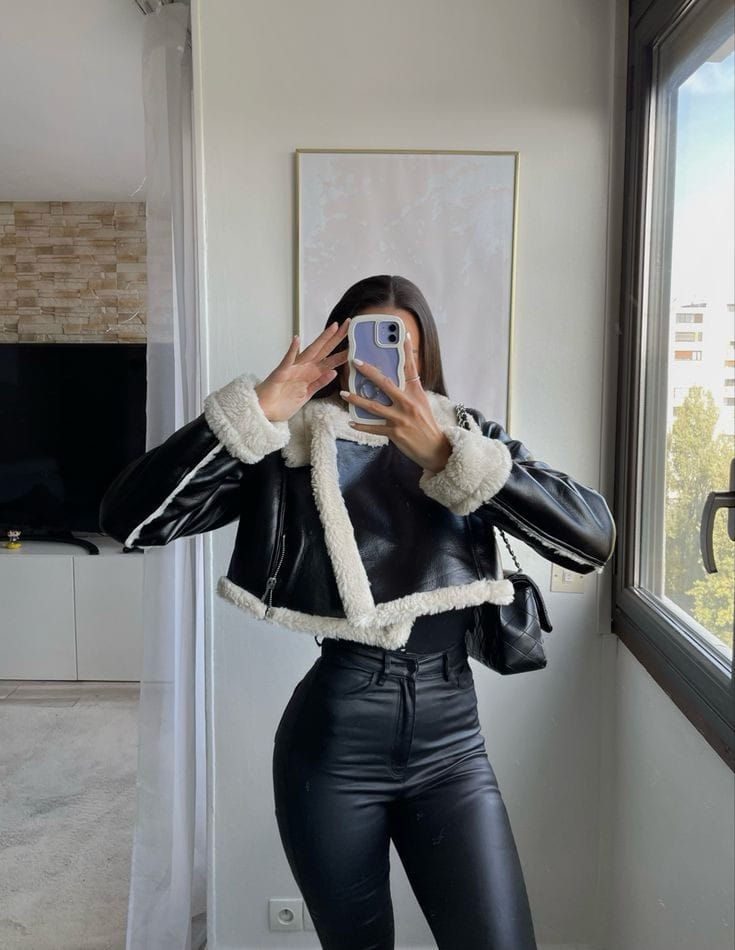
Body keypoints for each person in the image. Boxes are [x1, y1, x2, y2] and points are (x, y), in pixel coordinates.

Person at [99, 274, 616, 949]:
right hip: (334, 745)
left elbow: (591, 538)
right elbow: (130, 521)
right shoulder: (290, 446)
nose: (385, 366)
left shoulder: (465, 438)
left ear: (425, 359)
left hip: (454, 745)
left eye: (403, 349)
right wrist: (255, 410)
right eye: (367, 346)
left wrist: (450, 457)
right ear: (337, 352)